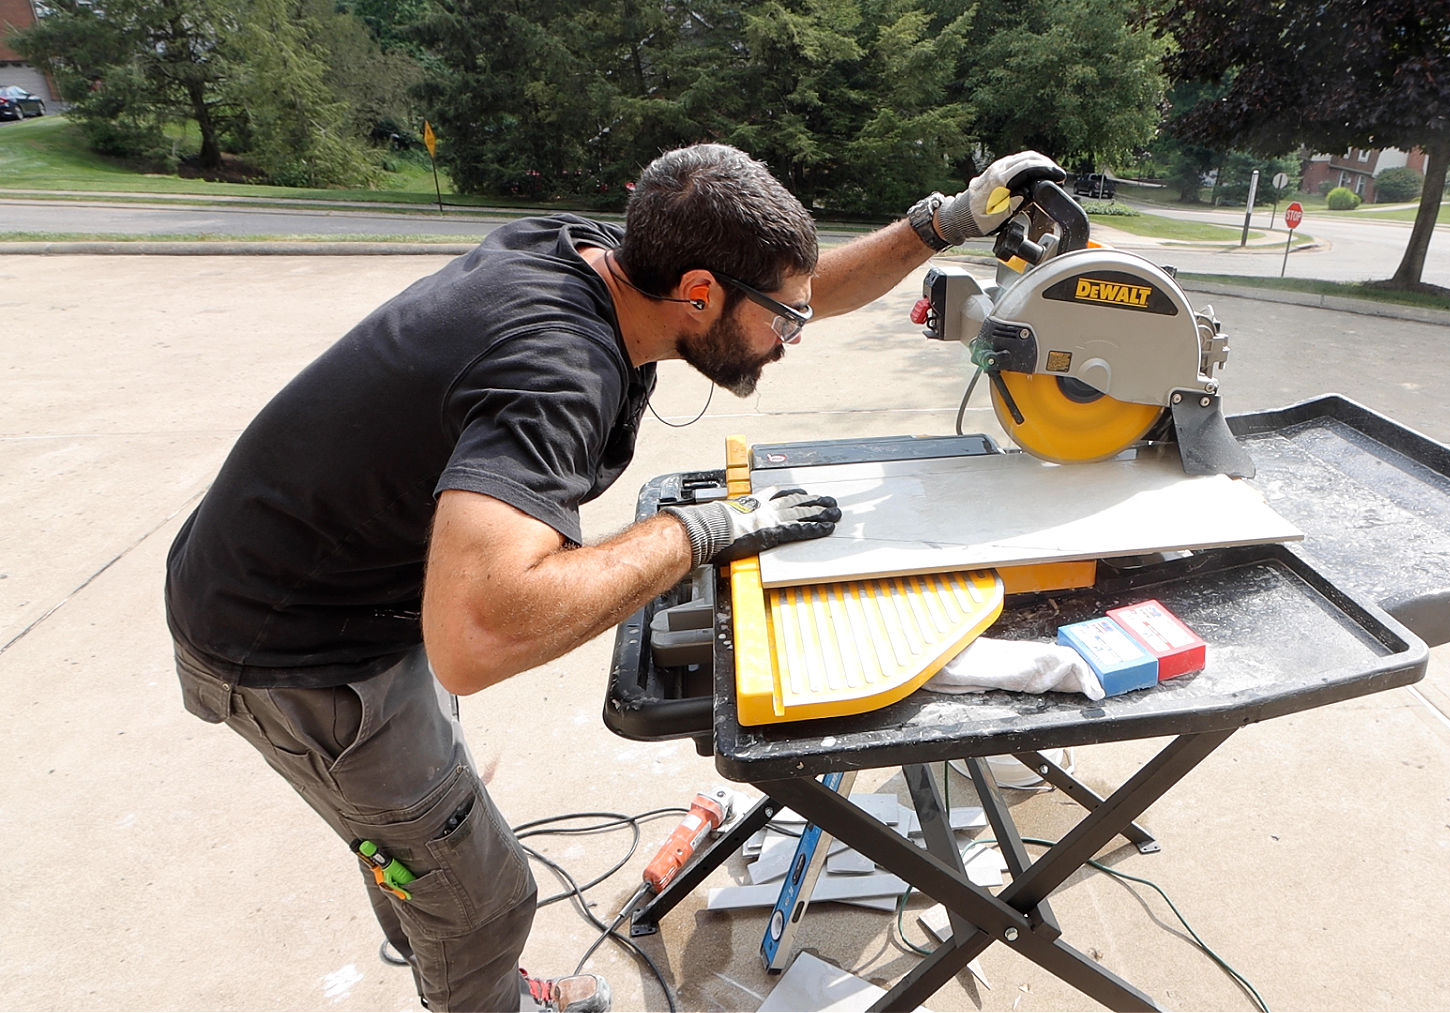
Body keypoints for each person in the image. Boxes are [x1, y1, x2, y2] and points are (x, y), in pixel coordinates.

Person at [165, 143, 1062, 1012]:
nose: (791, 337)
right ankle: (472, 970)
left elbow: (792, 292)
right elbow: (475, 638)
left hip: (315, 572)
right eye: (781, 322)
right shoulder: (556, 371)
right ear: (699, 295)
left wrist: (938, 225)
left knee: (422, 851)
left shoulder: (609, 258)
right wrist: (700, 529)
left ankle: (437, 929)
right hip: (294, 648)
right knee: (485, 898)